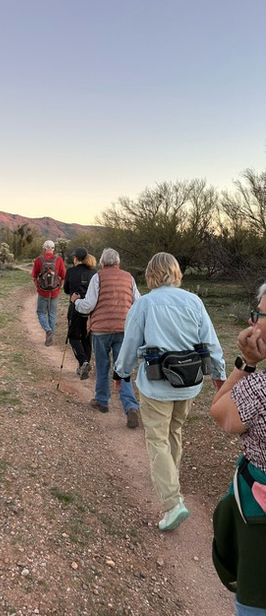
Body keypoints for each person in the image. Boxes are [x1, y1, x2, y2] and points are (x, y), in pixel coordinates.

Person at [114, 252, 226, 531]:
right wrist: (220, 375)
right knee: (174, 433)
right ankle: (171, 484)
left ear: (151, 274)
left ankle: (172, 502)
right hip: (189, 384)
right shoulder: (194, 301)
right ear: (175, 273)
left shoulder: (145, 304)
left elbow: (130, 345)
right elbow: (210, 341)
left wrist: (121, 372)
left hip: (156, 385)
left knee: (157, 439)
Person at [210, 282, 266, 616]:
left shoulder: (259, 391)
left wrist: (245, 364)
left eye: (258, 313)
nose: (253, 320)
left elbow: (220, 412)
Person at [71, 247, 141, 428]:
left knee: (103, 366)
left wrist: (76, 302)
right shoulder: (129, 278)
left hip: (101, 330)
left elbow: (89, 305)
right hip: (124, 329)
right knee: (123, 369)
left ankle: (102, 401)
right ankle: (131, 406)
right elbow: (138, 302)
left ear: (103, 263)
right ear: (118, 263)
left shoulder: (98, 277)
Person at [63, 247, 97, 379]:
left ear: (76, 258)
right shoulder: (94, 272)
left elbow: (66, 290)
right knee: (86, 337)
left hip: (75, 308)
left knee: (73, 337)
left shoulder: (71, 271)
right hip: (90, 309)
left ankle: (83, 362)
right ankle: (84, 365)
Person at [31, 240, 66, 346]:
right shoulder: (58, 260)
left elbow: (34, 276)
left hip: (43, 292)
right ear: (53, 248)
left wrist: (38, 287)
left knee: (41, 313)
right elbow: (63, 276)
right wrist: (60, 286)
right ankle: (51, 337)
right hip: (54, 292)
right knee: (52, 314)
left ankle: (47, 330)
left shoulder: (39, 260)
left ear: (44, 248)